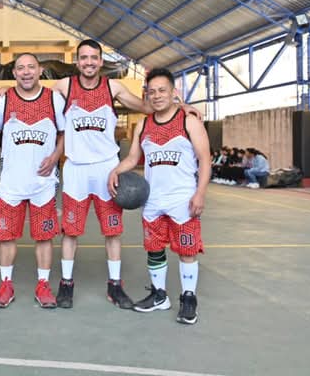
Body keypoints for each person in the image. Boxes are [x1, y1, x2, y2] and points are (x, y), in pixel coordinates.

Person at [50, 39, 200, 309]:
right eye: (83, 57)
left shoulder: (113, 87)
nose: (89, 62)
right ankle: (66, 284)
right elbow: (35, 96)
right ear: (77, 61)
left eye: (94, 57)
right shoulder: (64, 86)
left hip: (107, 168)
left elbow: (147, 107)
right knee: (70, 232)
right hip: (75, 169)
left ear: (100, 61)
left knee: (113, 232)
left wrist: (182, 105)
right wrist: (0, 92)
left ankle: (115, 286)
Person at [108, 68, 210, 325]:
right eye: (151, 92)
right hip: (152, 199)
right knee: (154, 249)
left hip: (182, 198)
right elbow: (133, 158)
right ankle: (159, 295)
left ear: (174, 92)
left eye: (162, 90)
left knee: (187, 250)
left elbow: (205, 159)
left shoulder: (189, 121)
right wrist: (116, 171)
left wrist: (200, 193)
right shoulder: (143, 125)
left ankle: (189, 298)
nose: (157, 95)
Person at [0, 53, 66, 309]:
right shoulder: (4, 100)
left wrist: (55, 157)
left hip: (43, 184)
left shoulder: (54, 99)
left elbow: (64, 134)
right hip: (11, 185)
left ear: (40, 71)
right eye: (20, 68)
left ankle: (43, 285)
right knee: (6, 237)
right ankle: (6, 284)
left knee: (44, 237)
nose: (26, 72)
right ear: (14, 73)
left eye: (31, 67)